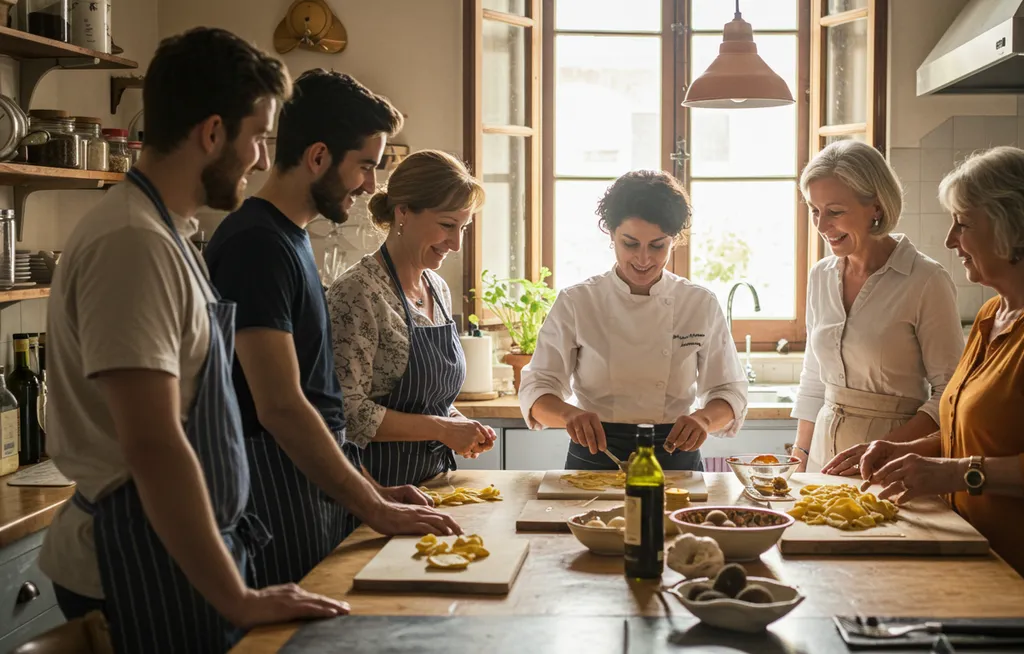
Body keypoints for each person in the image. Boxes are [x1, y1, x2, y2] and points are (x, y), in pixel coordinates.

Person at [40, 28, 349, 653]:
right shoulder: (133, 243)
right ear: (212, 133)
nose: (263, 159)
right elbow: (153, 443)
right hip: (135, 561)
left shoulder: (165, 231)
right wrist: (237, 595)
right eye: (258, 137)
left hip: (174, 551)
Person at [825, 146, 1024, 643]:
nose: (950, 239)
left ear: (1010, 223)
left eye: (963, 223)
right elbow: (965, 428)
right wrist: (905, 452)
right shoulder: (993, 315)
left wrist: (953, 472)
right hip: (989, 556)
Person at [204, 69, 461, 590]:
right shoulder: (256, 246)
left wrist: (375, 490)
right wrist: (373, 504)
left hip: (314, 490)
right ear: (319, 157)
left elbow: (322, 405)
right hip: (271, 494)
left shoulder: (290, 240)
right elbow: (279, 407)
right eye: (365, 166)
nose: (371, 187)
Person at [518, 170, 748, 470]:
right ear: (611, 233)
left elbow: (728, 390)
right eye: (630, 243)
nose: (643, 259)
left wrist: (703, 419)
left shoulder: (699, 303)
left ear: (674, 240)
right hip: (596, 454)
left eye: (657, 246)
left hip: (675, 454)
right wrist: (568, 415)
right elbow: (538, 388)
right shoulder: (578, 301)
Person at [790, 140, 964, 473]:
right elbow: (814, 378)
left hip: (889, 461)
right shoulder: (821, 276)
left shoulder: (926, 280)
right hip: (821, 458)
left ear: (877, 208)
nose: (821, 226)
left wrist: (888, 450)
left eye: (835, 212)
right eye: (814, 210)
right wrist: (798, 458)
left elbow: (950, 393)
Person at [328, 150, 495, 486]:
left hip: (435, 484)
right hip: (375, 490)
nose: (457, 243)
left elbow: (428, 402)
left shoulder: (438, 290)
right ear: (403, 211)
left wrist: (460, 424)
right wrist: (443, 429)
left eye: (464, 228)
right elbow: (348, 412)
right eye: (447, 225)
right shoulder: (358, 293)